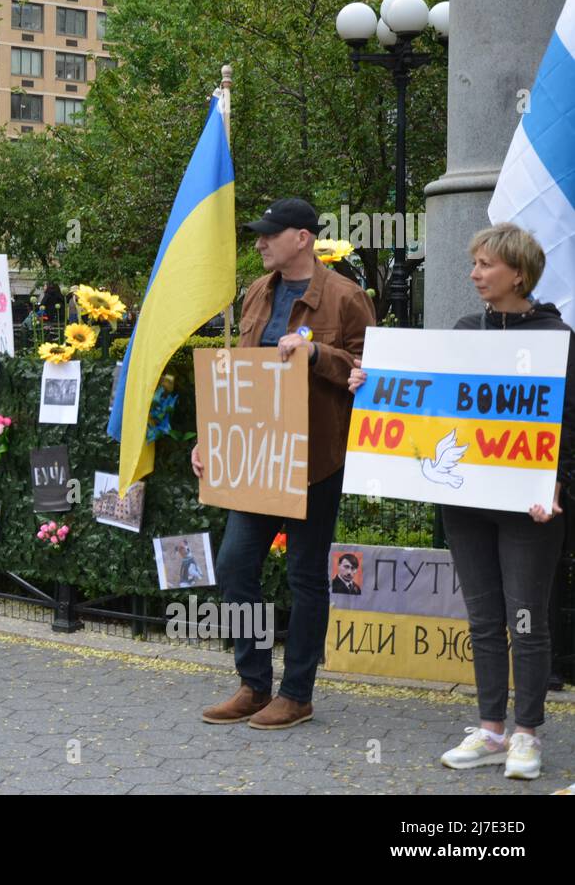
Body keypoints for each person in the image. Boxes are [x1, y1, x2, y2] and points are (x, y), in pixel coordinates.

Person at [351, 223, 574, 780]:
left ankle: (528, 735)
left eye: (485, 265)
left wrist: (556, 482)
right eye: (473, 263)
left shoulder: (555, 337)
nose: (474, 274)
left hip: (528, 507)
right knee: (482, 618)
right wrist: (370, 384)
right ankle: (491, 730)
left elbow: (567, 422)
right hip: (467, 502)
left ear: (517, 273)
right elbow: (430, 407)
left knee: (526, 618)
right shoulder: (463, 331)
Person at [193, 197, 375, 730]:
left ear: (302, 237)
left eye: (269, 234)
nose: (259, 242)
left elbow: (375, 373)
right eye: (258, 235)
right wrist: (212, 440)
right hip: (255, 461)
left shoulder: (345, 297)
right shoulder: (255, 293)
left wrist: (319, 355)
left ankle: (296, 693)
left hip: (316, 459)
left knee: (305, 577)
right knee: (232, 566)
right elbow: (238, 377)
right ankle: (253, 684)